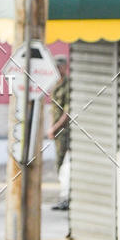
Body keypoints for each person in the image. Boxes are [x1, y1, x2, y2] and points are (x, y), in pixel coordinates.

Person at [48, 54, 70, 210]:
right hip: (56, 131)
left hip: (64, 131)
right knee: (59, 164)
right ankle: (64, 196)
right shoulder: (56, 83)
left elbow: (67, 113)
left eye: (58, 66)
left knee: (63, 165)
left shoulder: (68, 85)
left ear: (64, 67)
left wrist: (55, 128)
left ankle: (66, 198)